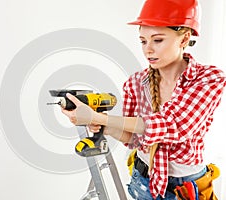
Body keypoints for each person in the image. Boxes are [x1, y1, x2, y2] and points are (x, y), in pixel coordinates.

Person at [61, 0, 226, 199]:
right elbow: (134, 139)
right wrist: (99, 123)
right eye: (143, 41)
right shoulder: (136, 83)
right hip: (143, 181)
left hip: (184, 189)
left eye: (157, 40)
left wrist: (103, 119)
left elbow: (175, 125)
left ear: (184, 39)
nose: (148, 49)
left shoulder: (209, 79)